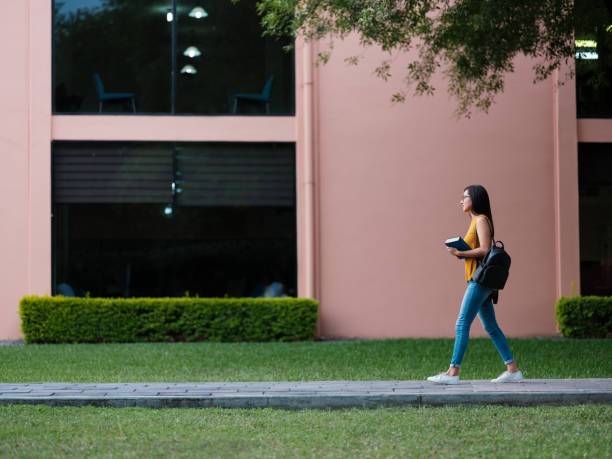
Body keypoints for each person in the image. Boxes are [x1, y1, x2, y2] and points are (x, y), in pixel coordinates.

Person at [427, 185, 523, 384]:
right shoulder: (475, 222)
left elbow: (485, 250)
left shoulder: (481, 220)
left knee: (462, 323)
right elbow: (477, 251)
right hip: (479, 280)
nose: (461, 200)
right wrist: (461, 252)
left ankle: (453, 372)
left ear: (476, 199)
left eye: (465, 196)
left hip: (479, 281)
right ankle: (513, 370)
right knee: (491, 327)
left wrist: (461, 253)